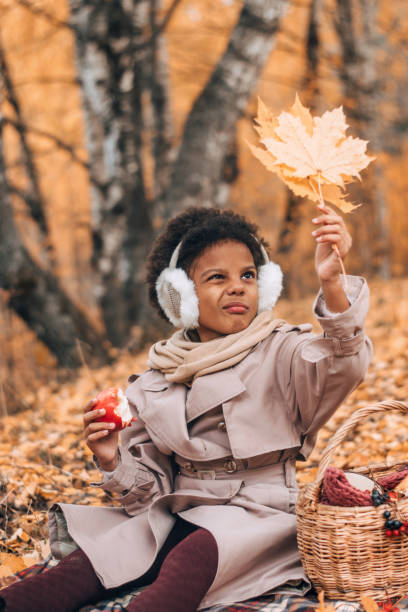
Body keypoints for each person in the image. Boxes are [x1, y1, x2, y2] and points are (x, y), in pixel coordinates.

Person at [0, 205, 372, 612]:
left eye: (248, 275)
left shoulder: (282, 350)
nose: (237, 287)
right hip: (178, 509)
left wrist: (333, 282)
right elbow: (147, 496)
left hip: (259, 515)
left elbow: (344, 361)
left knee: (191, 558)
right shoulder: (157, 377)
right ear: (179, 294)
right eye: (217, 277)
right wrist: (111, 459)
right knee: (92, 563)